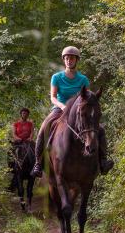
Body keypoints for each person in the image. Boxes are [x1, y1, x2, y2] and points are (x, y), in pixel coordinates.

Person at [30, 46, 114, 177]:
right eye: (67, 58)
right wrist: (62, 106)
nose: (69, 60)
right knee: (44, 127)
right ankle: (37, 163)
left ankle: (103, 161)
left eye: (72, 58)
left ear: (76, 60)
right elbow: (53, 97)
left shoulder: (83, 80)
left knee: (100, 129)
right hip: (60, 109)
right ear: (64, 60)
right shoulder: (56, 77)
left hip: (78, 111)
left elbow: (86, 98)